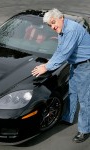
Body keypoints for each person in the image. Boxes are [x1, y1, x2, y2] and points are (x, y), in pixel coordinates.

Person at [32, 8, 90, 143]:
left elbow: (64, 54)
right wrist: (50, 62)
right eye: (50, 25)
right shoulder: (62, 29)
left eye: (53, 23)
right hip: (76, 64)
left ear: (61, 18)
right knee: (72, 92)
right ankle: (68, 118)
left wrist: (46, 67)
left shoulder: (71, 30)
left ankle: (84, 130)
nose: (52, 27)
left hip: (85, 65)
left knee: (84, 98)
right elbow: (59, 50)